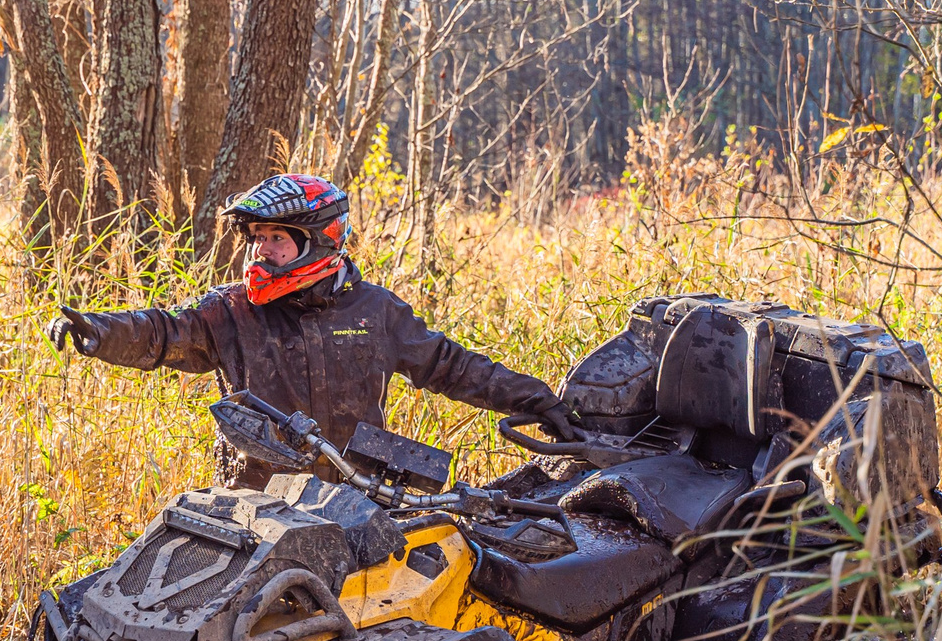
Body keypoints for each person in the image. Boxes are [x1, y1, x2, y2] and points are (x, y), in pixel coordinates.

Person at [46, 172, 572, 487]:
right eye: (257, 237)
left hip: (358, 503)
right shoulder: (231, 311)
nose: (263, 249)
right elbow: (162, 332)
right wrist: (99, 331)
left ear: (320, 240)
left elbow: (452, 367)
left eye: (278, 237)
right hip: (256, 510)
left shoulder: (376, 312)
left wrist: (537, 400)